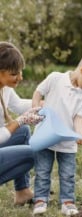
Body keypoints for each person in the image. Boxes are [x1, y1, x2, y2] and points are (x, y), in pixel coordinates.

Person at [32, 52, 82, 216]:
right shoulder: (55, 79)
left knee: (67, 174)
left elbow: (79, 117)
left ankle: (67, 202)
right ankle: (40, 199)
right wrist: (35, 108)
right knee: (42, 171)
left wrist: (79, 134)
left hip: (67, 142)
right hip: (45, 136)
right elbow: (38, 92)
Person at [0, 42, 44, 205]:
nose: (20, 77)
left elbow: (18, 105)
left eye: (20, 72)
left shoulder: (4, 88)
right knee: (31, 153)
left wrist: (45, 103)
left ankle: (22, 191)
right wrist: (20, 120)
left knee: (24, 131)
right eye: (14, 74)